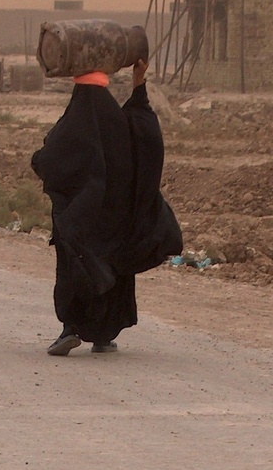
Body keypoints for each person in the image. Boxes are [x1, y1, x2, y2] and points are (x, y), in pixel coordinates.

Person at [31, 58, 181, 356]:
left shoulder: (74, 123)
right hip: (115, 221)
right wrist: (139, 84)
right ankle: (103, 336)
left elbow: (47, 160)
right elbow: (146, 131)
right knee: (113, 264)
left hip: (80, 220)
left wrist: (40, 159)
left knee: (77, 265)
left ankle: (70, 329)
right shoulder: (120, 123)